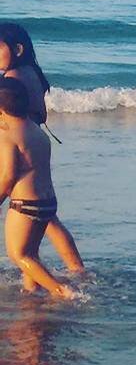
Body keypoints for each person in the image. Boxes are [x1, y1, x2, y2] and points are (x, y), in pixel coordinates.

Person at [0, 24, 85, 275]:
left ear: (17, 49)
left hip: (20, 149)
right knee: (44, 219)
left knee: (33, 216)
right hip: (35, 145)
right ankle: (74, 269)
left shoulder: (13, 78)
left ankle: (66, 273)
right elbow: (41, 113)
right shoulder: (31, 72)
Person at [0, 79, 77, 299]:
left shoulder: (7, 137)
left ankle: (62, 291)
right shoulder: (37, 132)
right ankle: (31, 290)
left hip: (25, 205)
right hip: (47, 203)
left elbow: (8, 175)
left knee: (19, 254)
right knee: (32, 253)